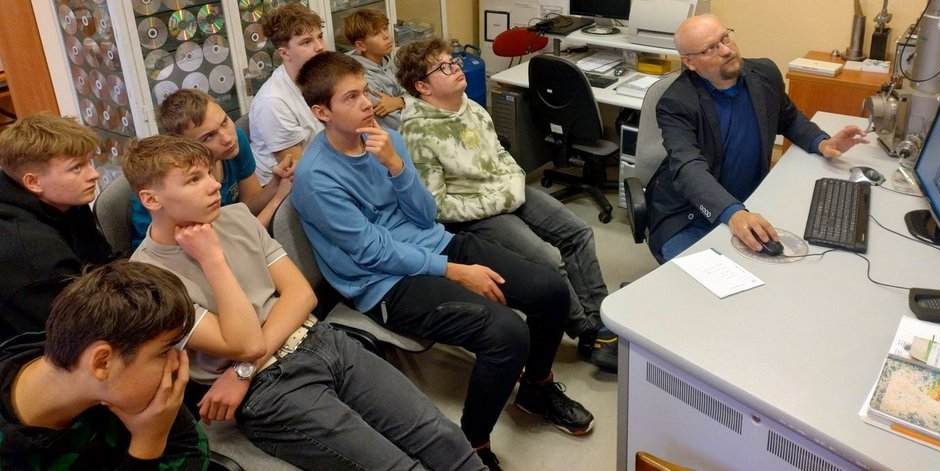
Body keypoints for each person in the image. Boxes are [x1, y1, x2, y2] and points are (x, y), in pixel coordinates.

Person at [292, 51, 595, 471]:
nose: (367, 103)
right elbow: (371, 252)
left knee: (550, 289)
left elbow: (423, 214)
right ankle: (472, 444)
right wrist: (453, 271)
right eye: (351, 98)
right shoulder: (316, 178)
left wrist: (397, 167)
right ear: (321, 111)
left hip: (434, 243)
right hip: (383, 283)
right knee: (507, 333)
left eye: (365, 91)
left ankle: (536, 389)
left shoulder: (384, 139)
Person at [124, 134, 484, 471]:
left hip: (313, 342)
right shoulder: (147, 279)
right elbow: (241, 342)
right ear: (151, 200)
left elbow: (301, 296)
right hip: (269, 390)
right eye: (192, 180)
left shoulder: (234, 217)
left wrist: (242, 369)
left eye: (208, 173)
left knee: (443, 436)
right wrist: (212, 259)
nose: (214, 184)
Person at [394, 38, 618, 372]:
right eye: (442, 67)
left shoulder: (471, 108)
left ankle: (603, 321)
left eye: (451, 60)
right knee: (547, 258)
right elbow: (436, 206)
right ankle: (585, 332)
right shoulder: (418, 134)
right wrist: (497, 201)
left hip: (506, 192)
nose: (455, 67)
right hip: (474, 214)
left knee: (578, 232)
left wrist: (514, 183)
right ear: (422, 86)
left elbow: (501, 155)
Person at [646, 14, 868, 262]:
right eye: (711, 48)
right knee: (710, 287)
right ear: (690, 62)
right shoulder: (676, 103)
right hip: (692, 213)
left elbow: (788, 117)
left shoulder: (764, 74)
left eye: (725, 38)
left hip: (752, 200)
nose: (726, 50)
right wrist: (733, 214)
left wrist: (822, 142)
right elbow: (688, 168)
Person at [0, 260, 208, 469]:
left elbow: (193, 450)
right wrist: (148, 443)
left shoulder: (111, 377)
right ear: (102, 362)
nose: (177, 364)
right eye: (164, 352)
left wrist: (153, 434)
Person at [129, 88, 294, 249]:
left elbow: (247, 206)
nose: (227, 138)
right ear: (184, 145)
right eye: (208, 137)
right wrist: (276, 200)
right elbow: (228, 245)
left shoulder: (235, 144)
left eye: (224, 122)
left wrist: (275, 185)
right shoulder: (168, 187)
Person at [0, 115, 115, 343]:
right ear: (33, 182)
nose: (94, 174)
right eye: (76, 168)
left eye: (89, 162)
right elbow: (83, 325)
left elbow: (101, 262)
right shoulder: (29, 249)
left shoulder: (65, 201)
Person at [249, 2, 326, 185]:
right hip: (285, 190)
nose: (320, 47)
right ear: (284, 53)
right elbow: (299, 171)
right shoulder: (272, 102)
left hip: (323, 165)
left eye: (320, 37)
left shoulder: (320, 78)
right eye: (307, 42)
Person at [345, 8, 406, 130]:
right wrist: (410, 102)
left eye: (384, 28)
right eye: (376, 33)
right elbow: (398, 124)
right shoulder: (363, 79)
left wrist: (401, 102)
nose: (386, 36)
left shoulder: (387, 60)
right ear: (361, 45)